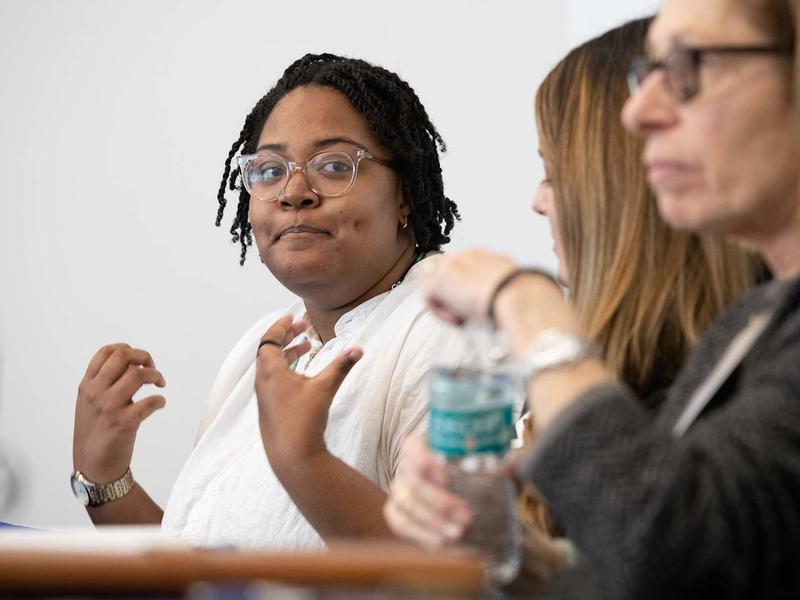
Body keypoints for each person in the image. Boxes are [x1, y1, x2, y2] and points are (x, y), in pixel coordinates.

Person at [386, 0, 800, 597]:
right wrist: (520, 560)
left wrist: (525, 299)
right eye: (646, 75)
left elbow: (673, 549)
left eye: (688, 65)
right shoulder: (752, 324)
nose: (638, 112)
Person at [70, 53, 474, 550]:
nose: (295, 191)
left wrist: (303, 462)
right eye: (269, 171)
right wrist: (105, 481)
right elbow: (205, 570)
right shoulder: (262, 347)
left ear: (405, 194)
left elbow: (450, 571)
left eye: (333, 165)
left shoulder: (451, 329)